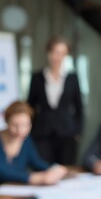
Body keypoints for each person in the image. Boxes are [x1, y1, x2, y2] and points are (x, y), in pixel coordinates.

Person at [0, 101, 68, 186]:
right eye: (15, 125)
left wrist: (55, 168)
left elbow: (37, 162)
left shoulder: (26, 140)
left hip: (16, 189)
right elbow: (1, 173)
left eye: (25, 125)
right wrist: (37, 178)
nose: (20, 130)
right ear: (6, 122)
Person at [28, 36, 83, 165]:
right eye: (54, 52)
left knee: (66, 167)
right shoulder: (37, 77)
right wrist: (29, 129)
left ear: (66, 55)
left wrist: (78, 131)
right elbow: (30, 105)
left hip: (67, 131)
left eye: (61, 53)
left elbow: (79, 107)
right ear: (48, 53)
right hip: (42, 131)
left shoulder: (72, 78)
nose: (56, 57)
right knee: (43, 166)